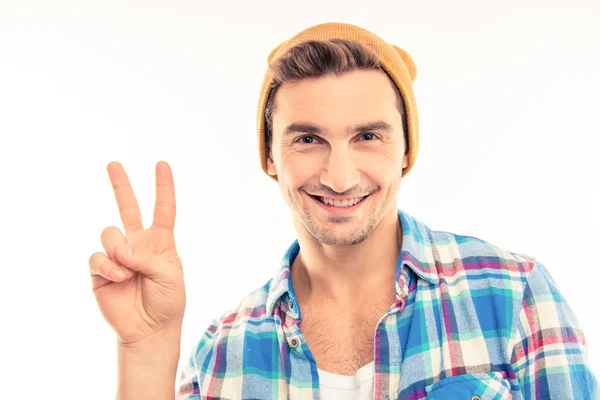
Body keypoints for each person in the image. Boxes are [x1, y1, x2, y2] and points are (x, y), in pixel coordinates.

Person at [89, 22, 598, 400]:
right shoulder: (222, 353)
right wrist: (147, 350)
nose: (340, 176)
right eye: (308, 139)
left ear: (405, 151)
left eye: (368, 137)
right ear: (270, 156)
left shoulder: (513, 295)